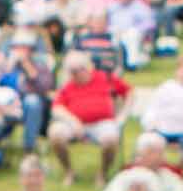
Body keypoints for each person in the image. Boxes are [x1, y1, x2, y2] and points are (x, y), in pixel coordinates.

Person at [48, 51, 128, 183]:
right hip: (75, 124)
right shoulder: (69, 85)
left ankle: (102, 173)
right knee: (55, 134)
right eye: (70, 72)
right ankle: (69, 171)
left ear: (85, 69)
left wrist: (123, 114)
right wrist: (73, 121)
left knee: (111, 138)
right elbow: (57, 107)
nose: (72, 75)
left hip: (102, 123)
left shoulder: (105, 78)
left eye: (75, 72)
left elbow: (129, 92)